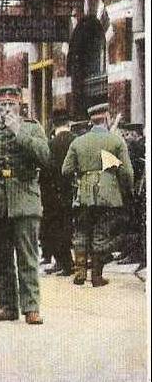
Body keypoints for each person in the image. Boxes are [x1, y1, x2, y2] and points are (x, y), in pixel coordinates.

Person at [0, 86, 50, 325]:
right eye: (2, 104)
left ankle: (31, 307)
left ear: (19, 105)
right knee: (1, 257)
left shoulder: (31, 127)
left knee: (27, 256)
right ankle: (8, 306)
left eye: (11, 104)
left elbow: (45, 156)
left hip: (25, 199)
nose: (6, 108)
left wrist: (18, 130)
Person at [61, 102, 134, 288]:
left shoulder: (78, 141)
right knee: (101, 233)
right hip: (108, 194)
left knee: (82, 232)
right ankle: (96, 276)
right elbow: (127, 173)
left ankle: (79, 271)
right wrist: (126, 191)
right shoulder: (116, 141)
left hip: (84, 194)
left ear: (91, 121)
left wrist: (80, 177)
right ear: (107, 118)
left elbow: (66, 170)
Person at [41, 114, 76, 277]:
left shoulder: (50, 144)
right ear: (69, 123)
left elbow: (44, 171)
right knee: (72, 227)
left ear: (54, 125)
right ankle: (75, 263)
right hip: (73, 191)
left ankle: (63, 263)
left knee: (55, 228)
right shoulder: (76, 141)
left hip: (53, 193)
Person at [117, 122, 145, 269]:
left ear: (136, 134)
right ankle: (128, 251)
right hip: (134, 189)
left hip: (136, 189)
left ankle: (134, 253)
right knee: (129, 222)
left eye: (128, 134)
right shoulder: (135, 146)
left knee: (133, 223)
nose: (126, 137)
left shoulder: (138, 147)